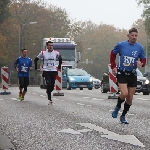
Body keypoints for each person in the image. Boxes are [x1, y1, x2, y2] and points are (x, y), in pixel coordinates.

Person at [110, 27, 146, 124]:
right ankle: (117, 107)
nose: (134, 37)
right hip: (122, 73)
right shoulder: (121, 45)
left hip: (132, 74)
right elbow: (112, 54)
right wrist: (113, 66)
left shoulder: (139, 47)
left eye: (136, 36)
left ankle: (123, 116)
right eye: (132, 35)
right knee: (124, 93)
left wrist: (142, 64)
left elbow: (143, 59)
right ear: (128, 36)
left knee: (130, 98)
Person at [34, 41, 62, 105]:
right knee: (48, 84)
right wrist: (36, 68)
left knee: (52, 86)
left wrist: (59, 66)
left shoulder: (56, 53)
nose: (51, 46)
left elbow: (60, 58)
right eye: (49, 45)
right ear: (47, 46)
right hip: (46, 70)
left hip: (53, 70)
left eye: (52, 45)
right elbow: (36, 59)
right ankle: (50, 99)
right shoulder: (43, 52)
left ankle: (48, 91)